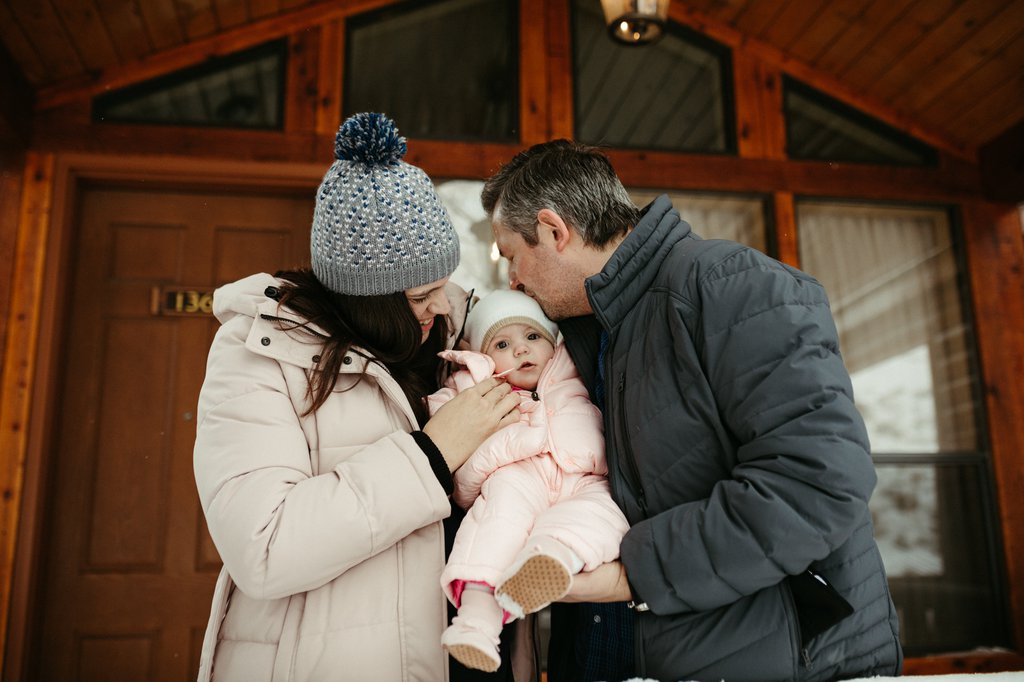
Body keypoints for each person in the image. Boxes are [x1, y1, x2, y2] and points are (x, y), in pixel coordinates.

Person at [480, 139, 904, 682]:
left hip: (779, 656)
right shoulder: (580, 340)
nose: (512, 281)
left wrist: (631, 573)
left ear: (554, 231)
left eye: (513, 256)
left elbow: (817, 486)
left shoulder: (730, 287)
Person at [192, 112, 533, 682]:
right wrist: (430, 456)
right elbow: (264, 549)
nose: (443, 306)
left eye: (443, 286)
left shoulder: (457, 329)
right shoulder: (258, 355)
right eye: (423, 294)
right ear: (370, 298)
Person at [427, 290, 629, 673]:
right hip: (518, 474)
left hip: (582, 476)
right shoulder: (474, 386)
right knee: (494, 525)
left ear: (552, 343)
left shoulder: (573, 367)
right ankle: (475, 623)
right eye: (503, 343)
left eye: (533, 337)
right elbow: (443, 423)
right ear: (485, 356)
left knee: (605, 514)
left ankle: (548, 560)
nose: (522, 350)